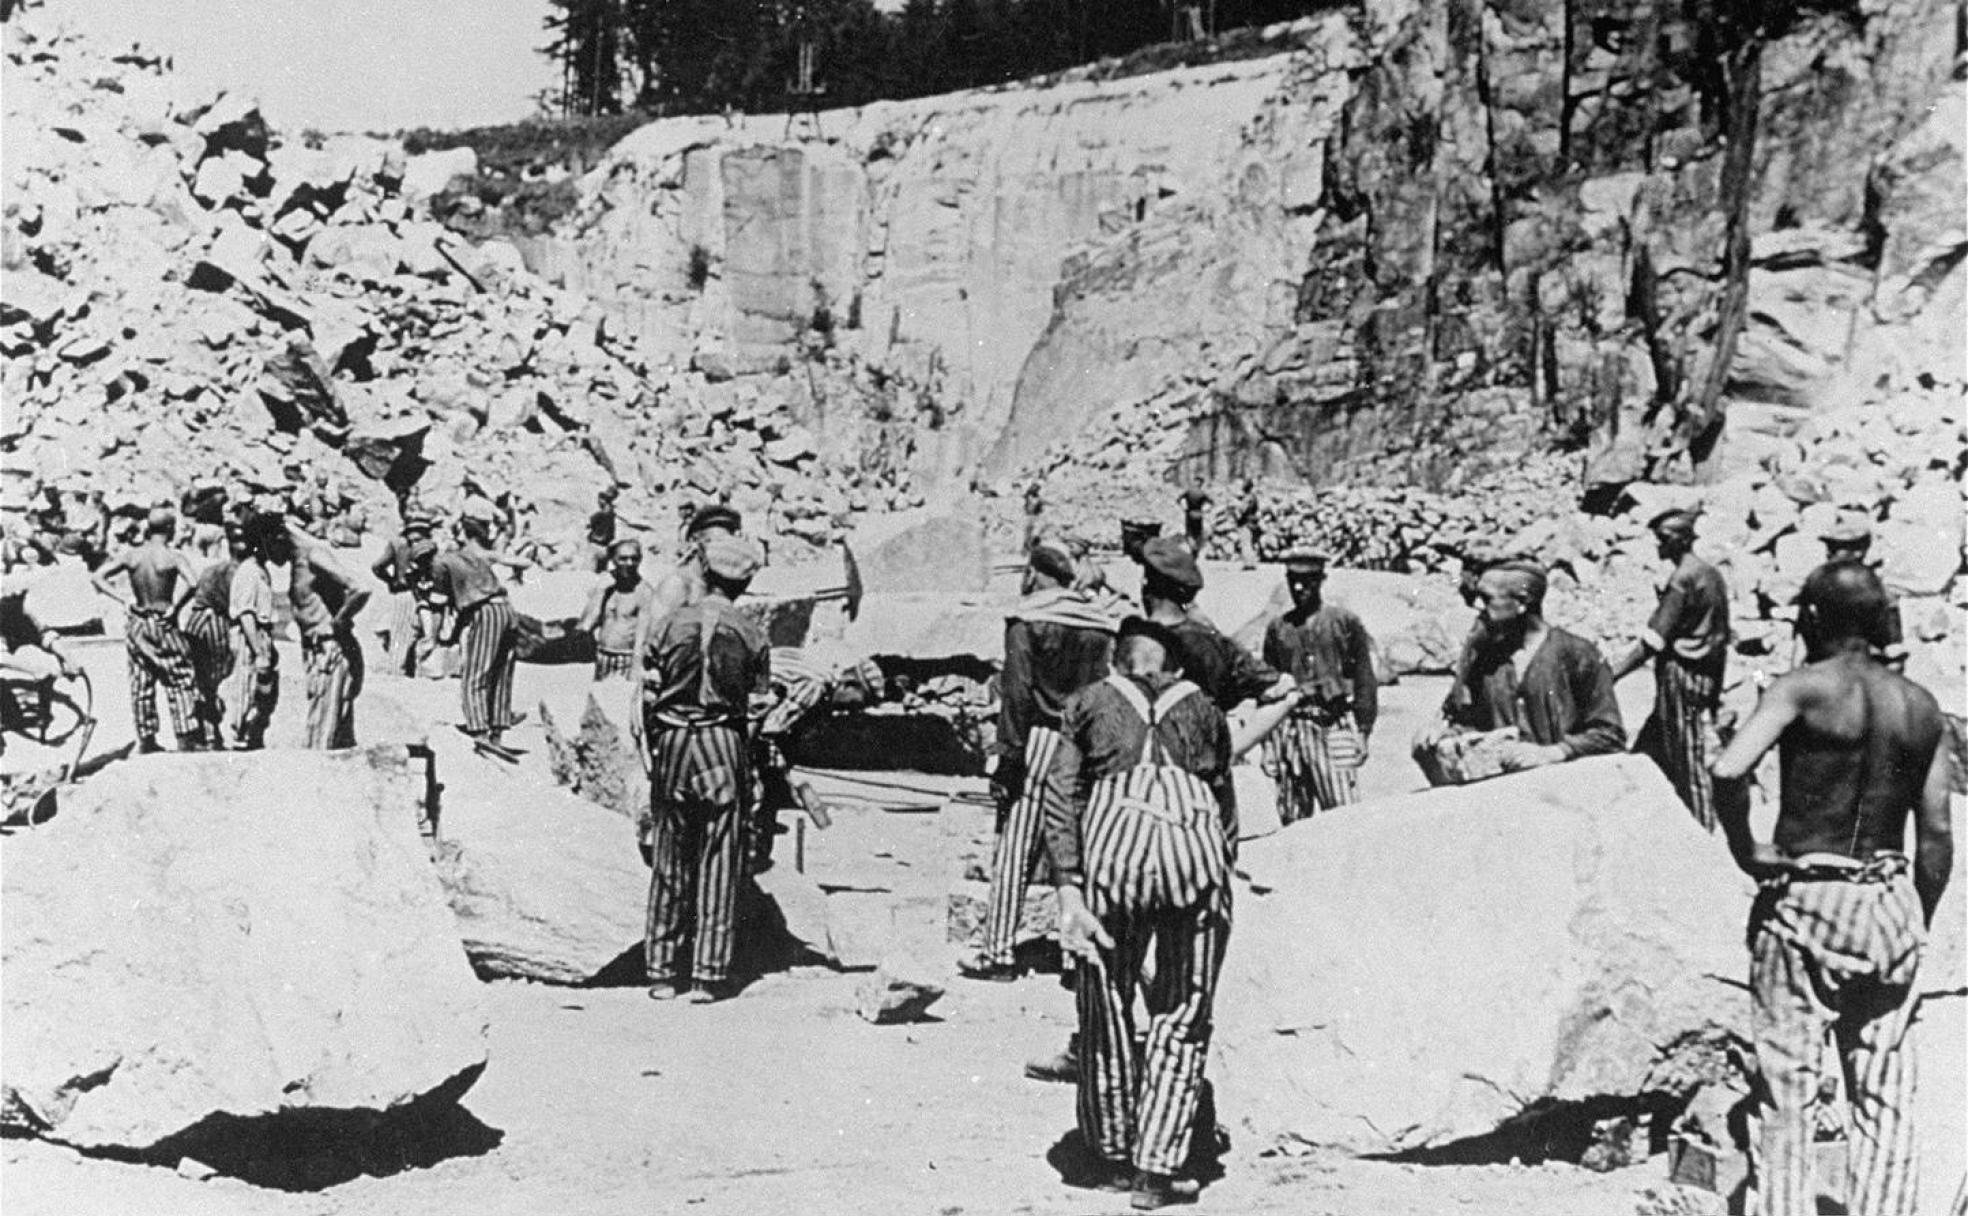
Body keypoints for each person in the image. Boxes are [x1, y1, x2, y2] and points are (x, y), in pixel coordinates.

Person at [1709, 560, 1951, 1216]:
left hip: (1808, 897)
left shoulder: (1801, 689)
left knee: (1786, 1092)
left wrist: (1748, 849)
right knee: (1886, 1099)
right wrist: (1913, 918)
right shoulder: (1921, 706)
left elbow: (1728, 769)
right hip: (1889, 897)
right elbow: (1935, 836)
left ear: (1813, 619)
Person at [1045, 616, 1235, 1210]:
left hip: (1112, 858)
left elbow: (1062, 794)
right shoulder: (1204, 707)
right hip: (1193, 857)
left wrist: (1068, 886)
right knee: (1183, 1007)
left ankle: (1110, 1153)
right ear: (1170, 669)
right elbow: (1224, 803)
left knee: (1106, 998)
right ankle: (1159, 1168)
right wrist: (1216, 874)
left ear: (1116, 664)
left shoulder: (1087, 703)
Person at [964, 541, 1117, 981]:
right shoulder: (1098, 623)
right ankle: (1075, 958)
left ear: (1034, 573)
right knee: (1075, 847)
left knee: (1017, 845)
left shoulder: (1027, 621)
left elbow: (1016, 695)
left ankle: (998, 953)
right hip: (1083, 743)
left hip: (1041, 741)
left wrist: (1008, 758)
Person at [636, 534, 771, 1005]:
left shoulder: (670, 624)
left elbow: (649, 693)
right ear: (744, 583)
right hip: (722, 742)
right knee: (720, 855)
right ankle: (708, 974)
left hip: (673, 741)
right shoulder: (751, 633)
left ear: (705, 573)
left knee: (670, 854)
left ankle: (660, 971)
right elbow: (756, 708)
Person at [1416, 562, 1625, 772]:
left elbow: (1610, 735)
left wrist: (1555, 752)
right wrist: (1444, 736)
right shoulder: (1484, 659)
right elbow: (1468, 722)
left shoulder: (1578, 654)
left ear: (1523, 602)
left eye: (1487, 598)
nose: (1478, 606)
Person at [1611, 509, 1731, 827]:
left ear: (1679, 540)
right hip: (1707, 674)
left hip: (1683, 674)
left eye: (1662, 539)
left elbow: (1653, 640)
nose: (1658, 546)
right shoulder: (1711, 574)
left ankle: (1705, 837)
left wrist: (1613, 675)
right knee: (1650, 750)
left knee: (1688, 757)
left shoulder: (1683, 579)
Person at [1260, 552, 1377, 820]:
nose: (1299, 588)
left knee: (1344, 814)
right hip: (1290, 730)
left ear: (1321, 580)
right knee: (1292, 817)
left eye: (1307, 580)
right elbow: (1267, 690)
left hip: (1333, 725)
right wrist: (1269, 745)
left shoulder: (1344, 622)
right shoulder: (1278, 629)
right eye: (1293, 581)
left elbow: (1364, 679)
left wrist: (1363, 731)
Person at [91, 508, 207, 752]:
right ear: (169, 529)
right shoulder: (172, 556)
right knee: (180, 677)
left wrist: (124, 599)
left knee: (141, 680)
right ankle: (186, 736)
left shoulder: (132, 555)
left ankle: (147, 739)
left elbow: (98, 576)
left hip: (138, 620)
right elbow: (194, 583)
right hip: (162, 620)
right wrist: (175, 608)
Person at [429, 514, 521, 747]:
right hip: (507, 610)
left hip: (486, 613)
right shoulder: (483, 557)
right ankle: (497, 730)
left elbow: (439, 603)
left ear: (461, 533)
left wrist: (435, 636)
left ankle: (479, 730)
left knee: (475, 673)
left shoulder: (445, 561)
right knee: (501, 671)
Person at [283, 520, 370, 749]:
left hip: (329, 649)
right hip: (318, 649)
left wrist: (340, 621)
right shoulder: (300, 560)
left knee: (321, 737)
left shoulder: (314, 555)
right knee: (336, 735)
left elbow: (360, 588)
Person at [181, 523, 247, 748]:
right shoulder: (237, 572)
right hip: (215, 623)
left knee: (200, 678)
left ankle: (205, 729)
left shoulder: (212, 569)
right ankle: (211, 732)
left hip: (196, 620)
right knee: (213, 681)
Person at [230, 512, 285, 751]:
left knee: (262, 690)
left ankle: (251, 736)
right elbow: (246, 614)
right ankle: (239, 736)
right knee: (247, 685)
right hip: (249, 635)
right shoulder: (249, 571)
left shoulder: (261, 569)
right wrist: (258, 649)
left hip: (261, 633)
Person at [1820, 516, 1906, 666]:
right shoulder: (1822, 582)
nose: (1831, 554)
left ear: (1859, 551)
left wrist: (1891, 649)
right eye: (1831, 548)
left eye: (1838, 548)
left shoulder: (1876, 584)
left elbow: (1891, 636)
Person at [580, 539, 656, 682]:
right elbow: (586, 625)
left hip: (626, 658)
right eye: (623, 559)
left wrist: (636, 668)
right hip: (603, 655)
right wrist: (600, 591)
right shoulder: (605, 586)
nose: (629, 563)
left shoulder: (644, 592)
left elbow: (642, 637)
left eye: (634, 559)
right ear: (613, 560)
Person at [372, 511, 436, 677]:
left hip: (405, 593)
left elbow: (377, 567)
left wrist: (391, 581)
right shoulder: (431, 545)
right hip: (426, 595)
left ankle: (399, 674)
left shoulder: (397, 544)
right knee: (422, 638)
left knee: (401, 639)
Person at [587, 485, 620, 572]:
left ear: (604, 500)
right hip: (605, 547)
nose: (598, 501)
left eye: (600, 499)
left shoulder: (601, 514)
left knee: (591, 574)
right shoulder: (612, 513)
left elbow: (591, 522)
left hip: (596, 546)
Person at [1179, 484, 1211, 557]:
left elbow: (1179, 500)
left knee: (1190, 532)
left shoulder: (1188, 492)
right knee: (1198, 532)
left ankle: (1193, 548)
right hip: (1198, 514)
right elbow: (1211, 502)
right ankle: (1196, 549)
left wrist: (1185, 508)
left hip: (1189, 514)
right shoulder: (1202, 493)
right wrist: (1205, 510)